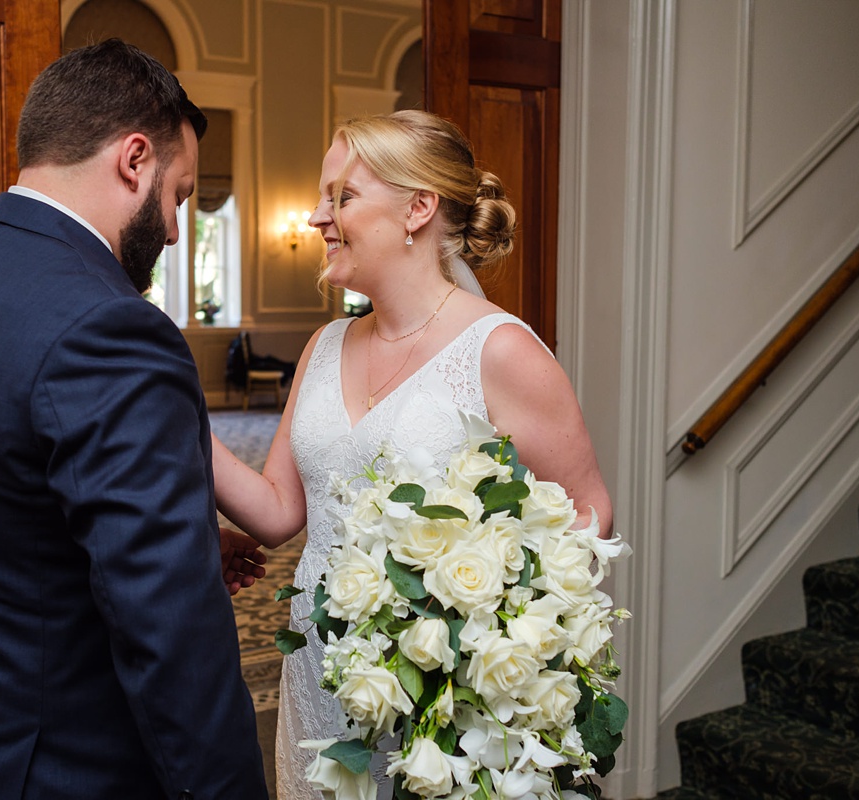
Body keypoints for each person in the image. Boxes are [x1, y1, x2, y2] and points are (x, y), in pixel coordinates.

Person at [0, 40, 268, 799]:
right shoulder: (111, 328)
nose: (171, 230)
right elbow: (173, 644)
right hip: (62, 771)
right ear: (134, 159)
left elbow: (11, 517)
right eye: (181, 197)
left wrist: (184, 532)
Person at [211, 110, 613, 798]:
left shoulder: (501, 350)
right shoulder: (325, 345)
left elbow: (586, 512)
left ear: (417, 208)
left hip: (440, 690)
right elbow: (279, 513)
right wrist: (173, 415)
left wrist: (485, 632)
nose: (316, 217)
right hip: (319, 669)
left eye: (340, 196)